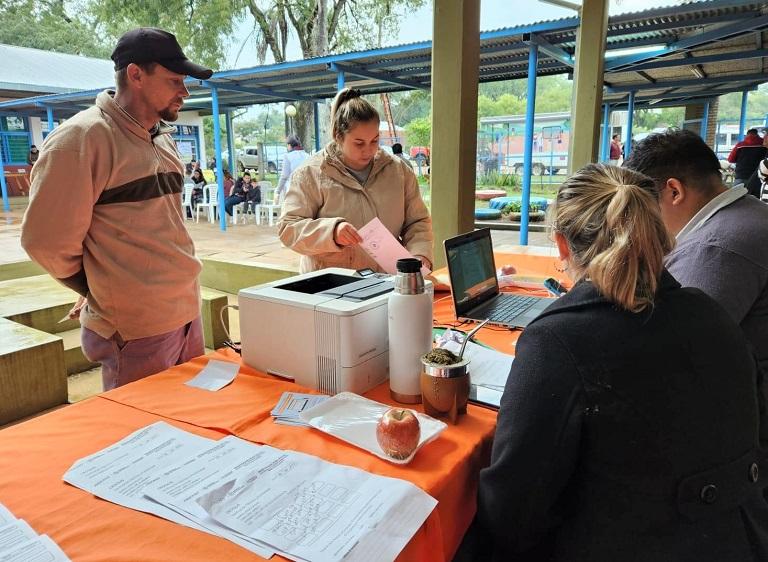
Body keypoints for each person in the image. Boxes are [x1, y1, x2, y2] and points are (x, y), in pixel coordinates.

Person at [470, 163, 768, 562]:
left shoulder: (557, 341)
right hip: (740, 538)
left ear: (561, 245)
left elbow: (513, 508)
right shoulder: (711, 313)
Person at [21, 27, 213, 390]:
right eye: (174, 80)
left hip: (185, 312)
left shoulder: (162, 138)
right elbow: (45, 242)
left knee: (190, 428)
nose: (184, 92)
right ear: (136, 75)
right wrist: (96, 287)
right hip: (136, 328)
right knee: (145, 439)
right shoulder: (81, 140)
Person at [623, 129, 768, 386]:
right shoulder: (750, 212)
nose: (641, 221)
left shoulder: (716, 248)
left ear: (674, 192)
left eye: (642, 206)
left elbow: (663, 353)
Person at [278, 88, 433, 273]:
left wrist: (420, 255)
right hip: (331, 289)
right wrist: (332, 232)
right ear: (338, 135)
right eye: (359, 143)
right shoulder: (311, 173)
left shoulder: (398, 171)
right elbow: (288, 229)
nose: (368, 150)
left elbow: (418, 222)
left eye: (375, 141)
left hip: (387, 283)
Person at [275, 135, 309, 203]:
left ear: (290, 145)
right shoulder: (307, 155)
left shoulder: (288, 157)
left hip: (292, 190)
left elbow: (284, 176)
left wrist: (277, 191)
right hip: (306, 189)